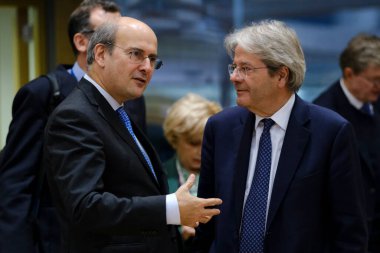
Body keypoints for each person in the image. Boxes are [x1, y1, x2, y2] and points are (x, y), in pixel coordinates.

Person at [43, 17, 222, 253]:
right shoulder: (75, 116)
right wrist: (170, 208)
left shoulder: (118, 110)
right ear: (100, 54)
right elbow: (85, 207)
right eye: (136, 54)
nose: (147, 67)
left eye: (152, 59)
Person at [192, 20, 368, 253]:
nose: (234, 77)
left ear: (281, 75)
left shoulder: (331, 133)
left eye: (246, 68)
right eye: (233, 67)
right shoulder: (220, 127)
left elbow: (349, 232)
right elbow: (207, 219)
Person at [0, 1, 146, 252]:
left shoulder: (133, 99)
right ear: (82, 43)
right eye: (107, 35)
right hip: (56, 238)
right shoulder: (42, 94)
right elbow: (16, 183)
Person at [313, 33, 380, 253]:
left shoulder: (375, 100)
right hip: (347, 236)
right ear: (349, 73)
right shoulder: (323, 114)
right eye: (374, 80)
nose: (378, 86)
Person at [163, 93, 221, 252]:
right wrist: (179, 231)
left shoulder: (226, 177)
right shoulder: (158, 176)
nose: (201, 151)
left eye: (206, 143)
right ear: (175, 138)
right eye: (193, 143)